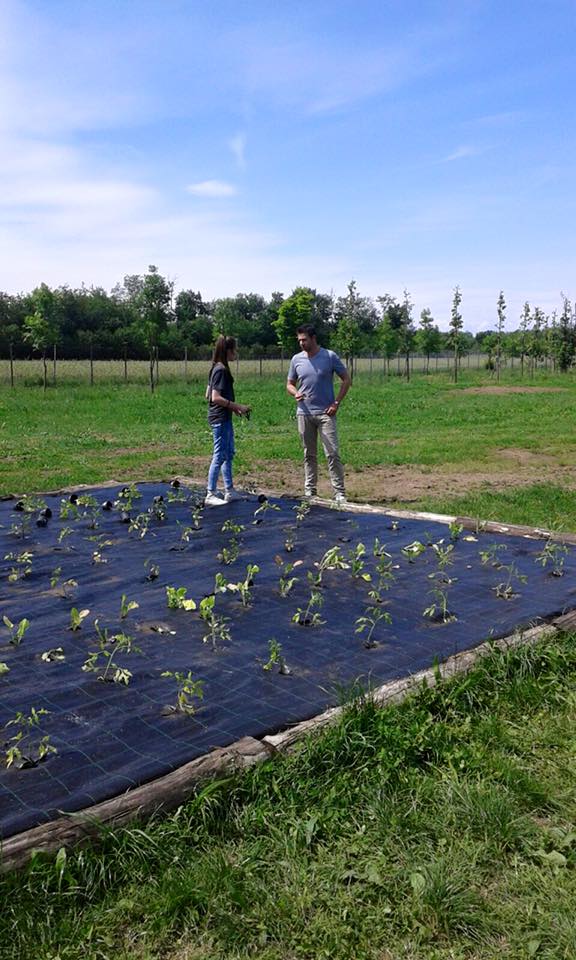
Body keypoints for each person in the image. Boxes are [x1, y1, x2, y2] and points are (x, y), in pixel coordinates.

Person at [287, 324, 351, 502]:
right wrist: (295, 392)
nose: (301, 343)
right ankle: (310, 490)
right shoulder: (296, 360)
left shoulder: (329, 356)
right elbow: (289, 384)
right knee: (309, 454)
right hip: (304, 413)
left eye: (304, 340)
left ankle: (339, 492)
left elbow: (346, 379)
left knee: (332, 452)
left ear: (313, 338)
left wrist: (336, 403)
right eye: (299, 340)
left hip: (325, 414)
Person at [205, 335, 251, 506]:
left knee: (228, 453)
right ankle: (210, 493)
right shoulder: (221, 370)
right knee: (219, 455)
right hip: (220, 419)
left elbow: (207, 393)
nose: (236, 353)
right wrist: (235, 405)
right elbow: (215, 397)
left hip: (224, 416)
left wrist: (233, 408)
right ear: (228, 351)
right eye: (234, 350)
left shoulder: (215, 368)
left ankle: (229, 490)